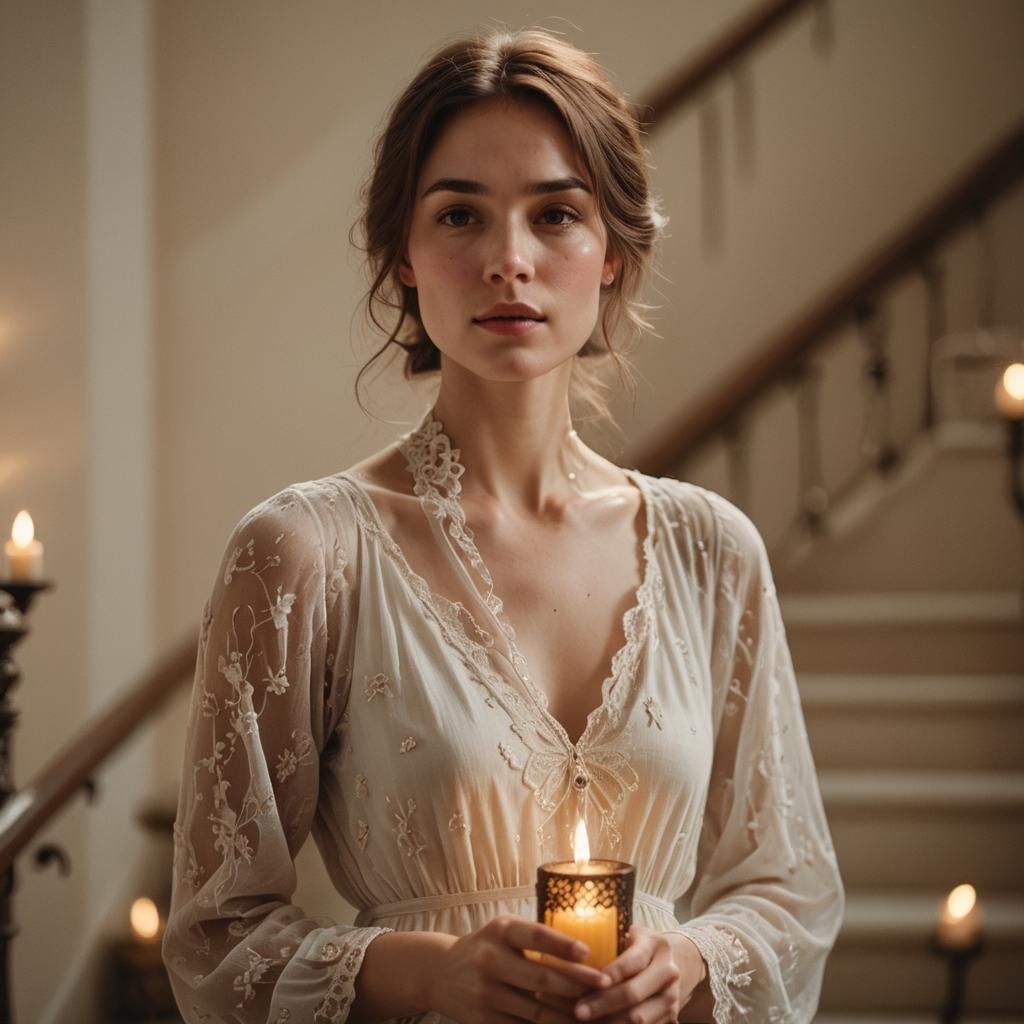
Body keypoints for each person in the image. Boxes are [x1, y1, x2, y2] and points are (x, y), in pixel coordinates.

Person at [163, 26, 844, 1024]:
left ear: (611, 251)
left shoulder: (711, 550)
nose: (508, 261)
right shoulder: (305, 553)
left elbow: (791, 889)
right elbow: (215, 935)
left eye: (555, 214)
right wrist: (426, 971)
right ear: (402, 250)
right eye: (460, 216)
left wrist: (690, 959)